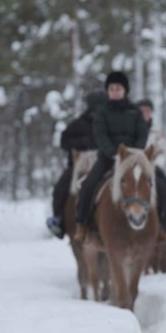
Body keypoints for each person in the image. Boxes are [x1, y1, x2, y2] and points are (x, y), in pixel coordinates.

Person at [73, 71, 149, 239]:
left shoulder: (135, 112)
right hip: (107, 159)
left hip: (133, 159)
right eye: (112, 88)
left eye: (118, 88)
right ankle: (82, 223)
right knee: (88, 185)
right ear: (108, 91)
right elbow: (100, 136)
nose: (115, 91)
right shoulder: (101, 112)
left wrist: (133, 153)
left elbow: (142, 134)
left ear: (125, 90)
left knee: (157, 183)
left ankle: (162, 226)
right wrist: (114, 154)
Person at [45, 90, 106, 239]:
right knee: (60, 188)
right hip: (79, 165)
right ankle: (59, 219)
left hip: (104, 164)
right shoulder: (77, 124)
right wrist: (83, 143)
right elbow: (64, 142)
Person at [133, 98, 166, 233]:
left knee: (165, 186)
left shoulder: (157, 133)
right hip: (134, 167)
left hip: (152, 167)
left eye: (147, 111)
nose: (145, 113)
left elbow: (162, 152)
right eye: (142, 111)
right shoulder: (131, 131)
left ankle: (165, 220)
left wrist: (153, 165)